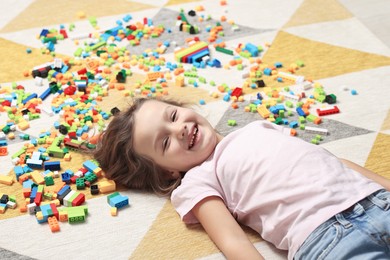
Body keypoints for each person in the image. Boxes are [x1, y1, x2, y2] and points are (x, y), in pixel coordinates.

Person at [94, 97, 390, 259]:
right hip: (325, 238)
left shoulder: (257, 128)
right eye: (165, 143)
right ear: (166, 171)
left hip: (376, 200)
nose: (179, 129)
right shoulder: (197, 180)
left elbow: (335, 161)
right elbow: (232, 241)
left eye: (173, 117)